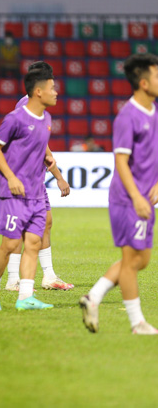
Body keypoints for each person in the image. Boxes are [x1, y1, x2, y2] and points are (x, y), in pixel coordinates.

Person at [80, 54, 158, 335]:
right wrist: (137, 196)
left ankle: (93, 297)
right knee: (131, 259)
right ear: (144, 82)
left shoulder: (154, 112)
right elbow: (121, 162)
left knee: (140, 260)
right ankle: (137, 323)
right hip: (128, 200)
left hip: (145, 199)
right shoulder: (128, 116)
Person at [0, 67, 58, 311]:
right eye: (51, 88)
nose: (56, 92)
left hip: (37, 192)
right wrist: (11, 177)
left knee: (34, 244)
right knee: (8, 246)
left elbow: (39, 149)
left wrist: (50, 164)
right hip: (14, 193)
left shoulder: (47, 119)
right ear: (38, 92)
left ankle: (25, 297)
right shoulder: (15, 118)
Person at [4, 61, 73, 292]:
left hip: (35, 178)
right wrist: (59, 177)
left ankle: (49, 276)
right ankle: (13, 279)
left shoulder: (35, 106)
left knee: (46, 223)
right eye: (51, 82)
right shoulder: (28, 106)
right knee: (20, 228)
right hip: (23, 178)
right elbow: (43, 148)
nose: (54, 89)